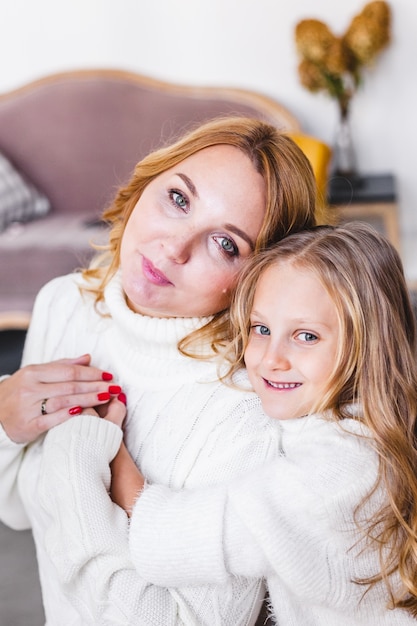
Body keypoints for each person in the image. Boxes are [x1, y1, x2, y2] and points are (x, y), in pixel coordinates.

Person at [0, 116, 318, 624]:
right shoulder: (65, 303)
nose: (174, 248)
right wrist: (5, 422)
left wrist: (78, 462)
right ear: (148, 180)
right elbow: (17, 507)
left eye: (225, 244)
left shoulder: (248, 411)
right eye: (179, 199)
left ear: (255, 281)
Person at [42, 223, 417, 625]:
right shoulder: (354, 424)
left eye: (306, 336)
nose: (271, 358)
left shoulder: (338, 472)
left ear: (368, 344)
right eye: (261, 329)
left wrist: (99, 442)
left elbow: (172, 533)